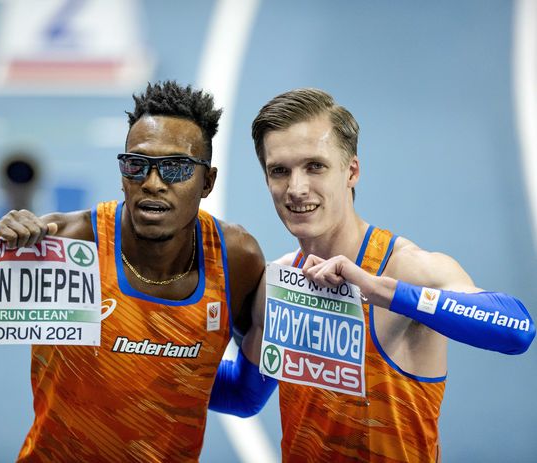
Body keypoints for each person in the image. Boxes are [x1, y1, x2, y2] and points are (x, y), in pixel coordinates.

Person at [0, 81, 275, 462]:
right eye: (136, 165)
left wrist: (290, 315)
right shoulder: (69, 245)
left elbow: (243, 396)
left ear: (207, 181)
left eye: (175, 168)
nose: (152, 183)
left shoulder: (235, 260)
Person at [211, 88, 535, 462]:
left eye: (315, 166)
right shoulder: (280, 282)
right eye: (279, 171)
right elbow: (244, 395)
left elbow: (516, 329)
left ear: (352, 171)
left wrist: (381, 290)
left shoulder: (407, 269)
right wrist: (135, 361)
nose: (296, 189)